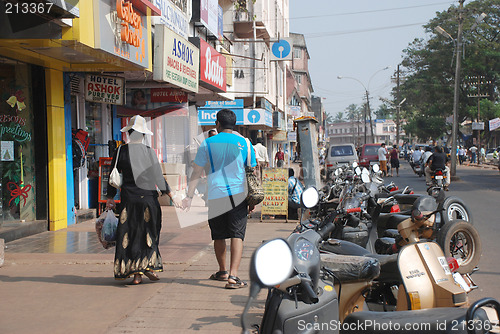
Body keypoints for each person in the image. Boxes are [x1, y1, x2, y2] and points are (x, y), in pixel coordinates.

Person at [182, 109, 256, 289]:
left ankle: (222, 271)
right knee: (237, 235)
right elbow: (252, 171)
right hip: (238, 195)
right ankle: (233, 276)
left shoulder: (207, 143)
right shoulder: (245, 143)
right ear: (235, 124)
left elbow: (197, 171)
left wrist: (189, 196)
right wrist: (252, 200)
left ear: (218, 123)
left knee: (219, 235)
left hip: (215, 195)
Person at [106, 115, 181, 285]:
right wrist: (171, 195)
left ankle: (137, 274)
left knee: (131, 234)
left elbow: (112, 176)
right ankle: (147, 267)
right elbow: (158, 177)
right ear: (143, 135)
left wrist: (110, 198)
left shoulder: (120, 151)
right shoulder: (148, 152)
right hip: (148, 200)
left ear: (129, 133)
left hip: (128, 201)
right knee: (149, 233)